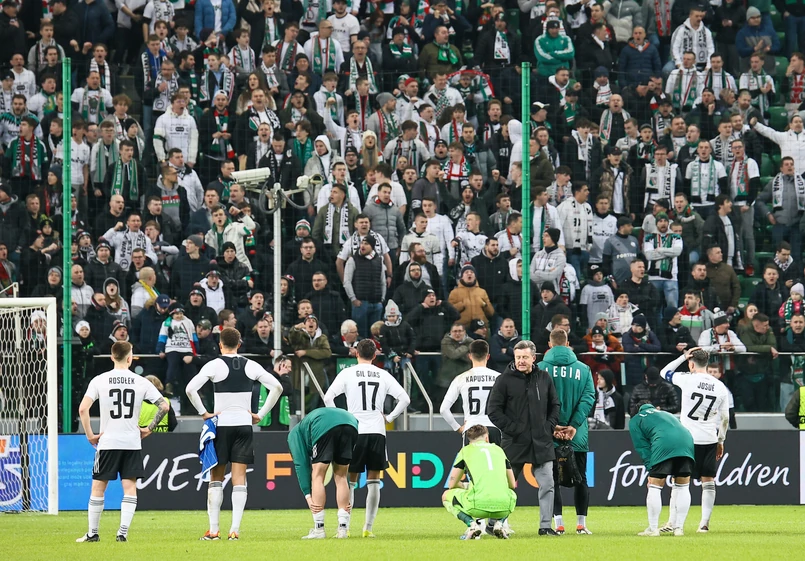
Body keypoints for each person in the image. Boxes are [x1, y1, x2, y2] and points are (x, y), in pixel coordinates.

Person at [185, 327, 283, 541]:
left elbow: (190, 389)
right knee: (239, 478)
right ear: (239, 344)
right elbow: (277, 387)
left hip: (221, 425)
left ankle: (214, 531)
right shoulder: (250, 365)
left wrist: (204, 413)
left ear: (220, 345)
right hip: (243, 425)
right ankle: (235, 530)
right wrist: (260, 414)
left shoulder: (214, 365)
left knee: (216, 478)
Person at [76, 341, 169, 543]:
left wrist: (90, 434)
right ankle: (122, 533)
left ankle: (93, 533)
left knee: (98, 488)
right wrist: (149, 428)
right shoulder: (141, 382)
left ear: (112, 357)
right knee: (129, 488)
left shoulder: (100, 380)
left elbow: (83, 409)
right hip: (131, 442)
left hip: (108, 442)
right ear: (130, 358)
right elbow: (164, 406)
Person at [323, 339, 410, 537]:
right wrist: (389, 417)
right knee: (374, 480)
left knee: (350, 480)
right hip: (376, 430)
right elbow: (405, 399)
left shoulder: (347, 373)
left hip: (354, 429)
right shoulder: (383, 374)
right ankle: (368, 528)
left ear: (356, 353)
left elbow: (328, 397)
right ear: (375, 354)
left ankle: (344, 527)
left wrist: (340, 418)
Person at [488, 340, 561, 536]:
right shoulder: (504, 380)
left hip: (542, 441)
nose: (521, 361)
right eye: (518, 357)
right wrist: (514, 429)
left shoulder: (544, 377)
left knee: (548, 485)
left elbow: (555, 405)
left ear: (533, 358)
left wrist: (548, 426)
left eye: (525, 357)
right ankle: (493, 523)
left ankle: (545, 527)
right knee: (506, 486)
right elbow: (493, 411)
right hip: (514, 442)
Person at [660, 347, 730, 533]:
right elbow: (725, 419)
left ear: (691, 364)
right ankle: (704, 524)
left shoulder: (687, 379)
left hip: (687, 439)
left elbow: (664, 372)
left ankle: (672, 523)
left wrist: (682, 357)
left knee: (680, 482)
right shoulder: (720, 387)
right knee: (708, 482)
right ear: (706, 364)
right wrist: (720, 441)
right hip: (709, 439)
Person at [538, 329, 596, 535]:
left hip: (548, 434)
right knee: (581, 479)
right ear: (568, 344)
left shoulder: (540, 369)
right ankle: (581, 524)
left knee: (551, 480)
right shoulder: (584, 369)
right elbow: (588, 398)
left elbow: (537, 402)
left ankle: (559, 524)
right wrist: (573, 425)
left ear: (550, 345)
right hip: (576, 434)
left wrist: (552, 426)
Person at [287, 406, 359, 539]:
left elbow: (301, 465)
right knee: (341, 475)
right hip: (351, 423)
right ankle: (343, 528)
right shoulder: (305, 428)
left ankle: (319, 529)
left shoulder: (293, 435)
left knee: (318, 475)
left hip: (323, 425)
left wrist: (308, 496)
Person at [629, 403, 695, 537]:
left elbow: (642, 447)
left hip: (663, 443)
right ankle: (679, 528)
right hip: (687, 441)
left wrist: (650, 469)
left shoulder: (636, 419)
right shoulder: (666, 413)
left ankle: (653, 529)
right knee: (683, 486)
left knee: (655, 486)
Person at [442, 424, 518, 540]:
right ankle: (499, 524)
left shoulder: (465, 451)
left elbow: (452, 484)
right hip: (503, 508)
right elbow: (512, 484)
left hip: (476, 507)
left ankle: (472, 525)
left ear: (469, 441)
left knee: (446, 496)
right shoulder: (499, 450)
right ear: (487, 438)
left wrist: (465, 486)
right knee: (511, 494)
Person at [440, 339, 502, 445]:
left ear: (470, 356)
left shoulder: (461, 378)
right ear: (488, 356)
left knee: (471, 456)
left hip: (472, 428)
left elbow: (443, 409)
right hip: (494, 428)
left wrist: (457, 427)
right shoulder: (499, 377)